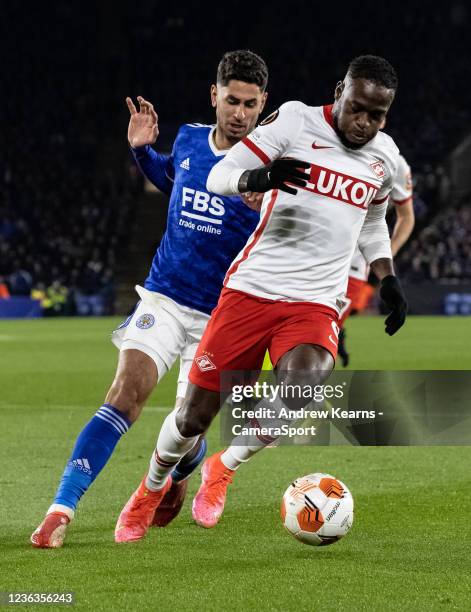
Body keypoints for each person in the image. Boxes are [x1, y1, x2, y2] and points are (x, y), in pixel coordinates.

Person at [115, 55, 408, 541]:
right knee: (193, 416)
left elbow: (374, 222)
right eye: (357, 108)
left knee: (304, 385)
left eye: (377, 116)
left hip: (315, 301)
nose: (364, 123)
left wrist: (386, 276)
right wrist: (260, 177)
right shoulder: (293, 120)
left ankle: (224, 468)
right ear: (340, 91)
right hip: (250, 290)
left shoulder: (384, 156)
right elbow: (219, 176)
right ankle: (150, 488)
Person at [31, 49, 268, 548]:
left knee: (187, 429)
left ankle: (184, 469)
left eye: (250, 103)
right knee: (123, 395)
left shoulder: (270, 170)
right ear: (214, 95)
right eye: (231, 100)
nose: (240, 113)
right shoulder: (187, 139)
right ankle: (61, 509)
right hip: (163, 298)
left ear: (263, 102)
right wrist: (142, 152)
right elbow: (172, 179)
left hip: (221, 318)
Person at [338, 153, 415, 365]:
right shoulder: (321, 142)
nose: (364, 121)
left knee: (325, 325)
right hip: (308, 253)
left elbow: (406, 216)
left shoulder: (395, 163)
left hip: (353, 263)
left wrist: (385, 255)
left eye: (375, 117)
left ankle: (300, 393)